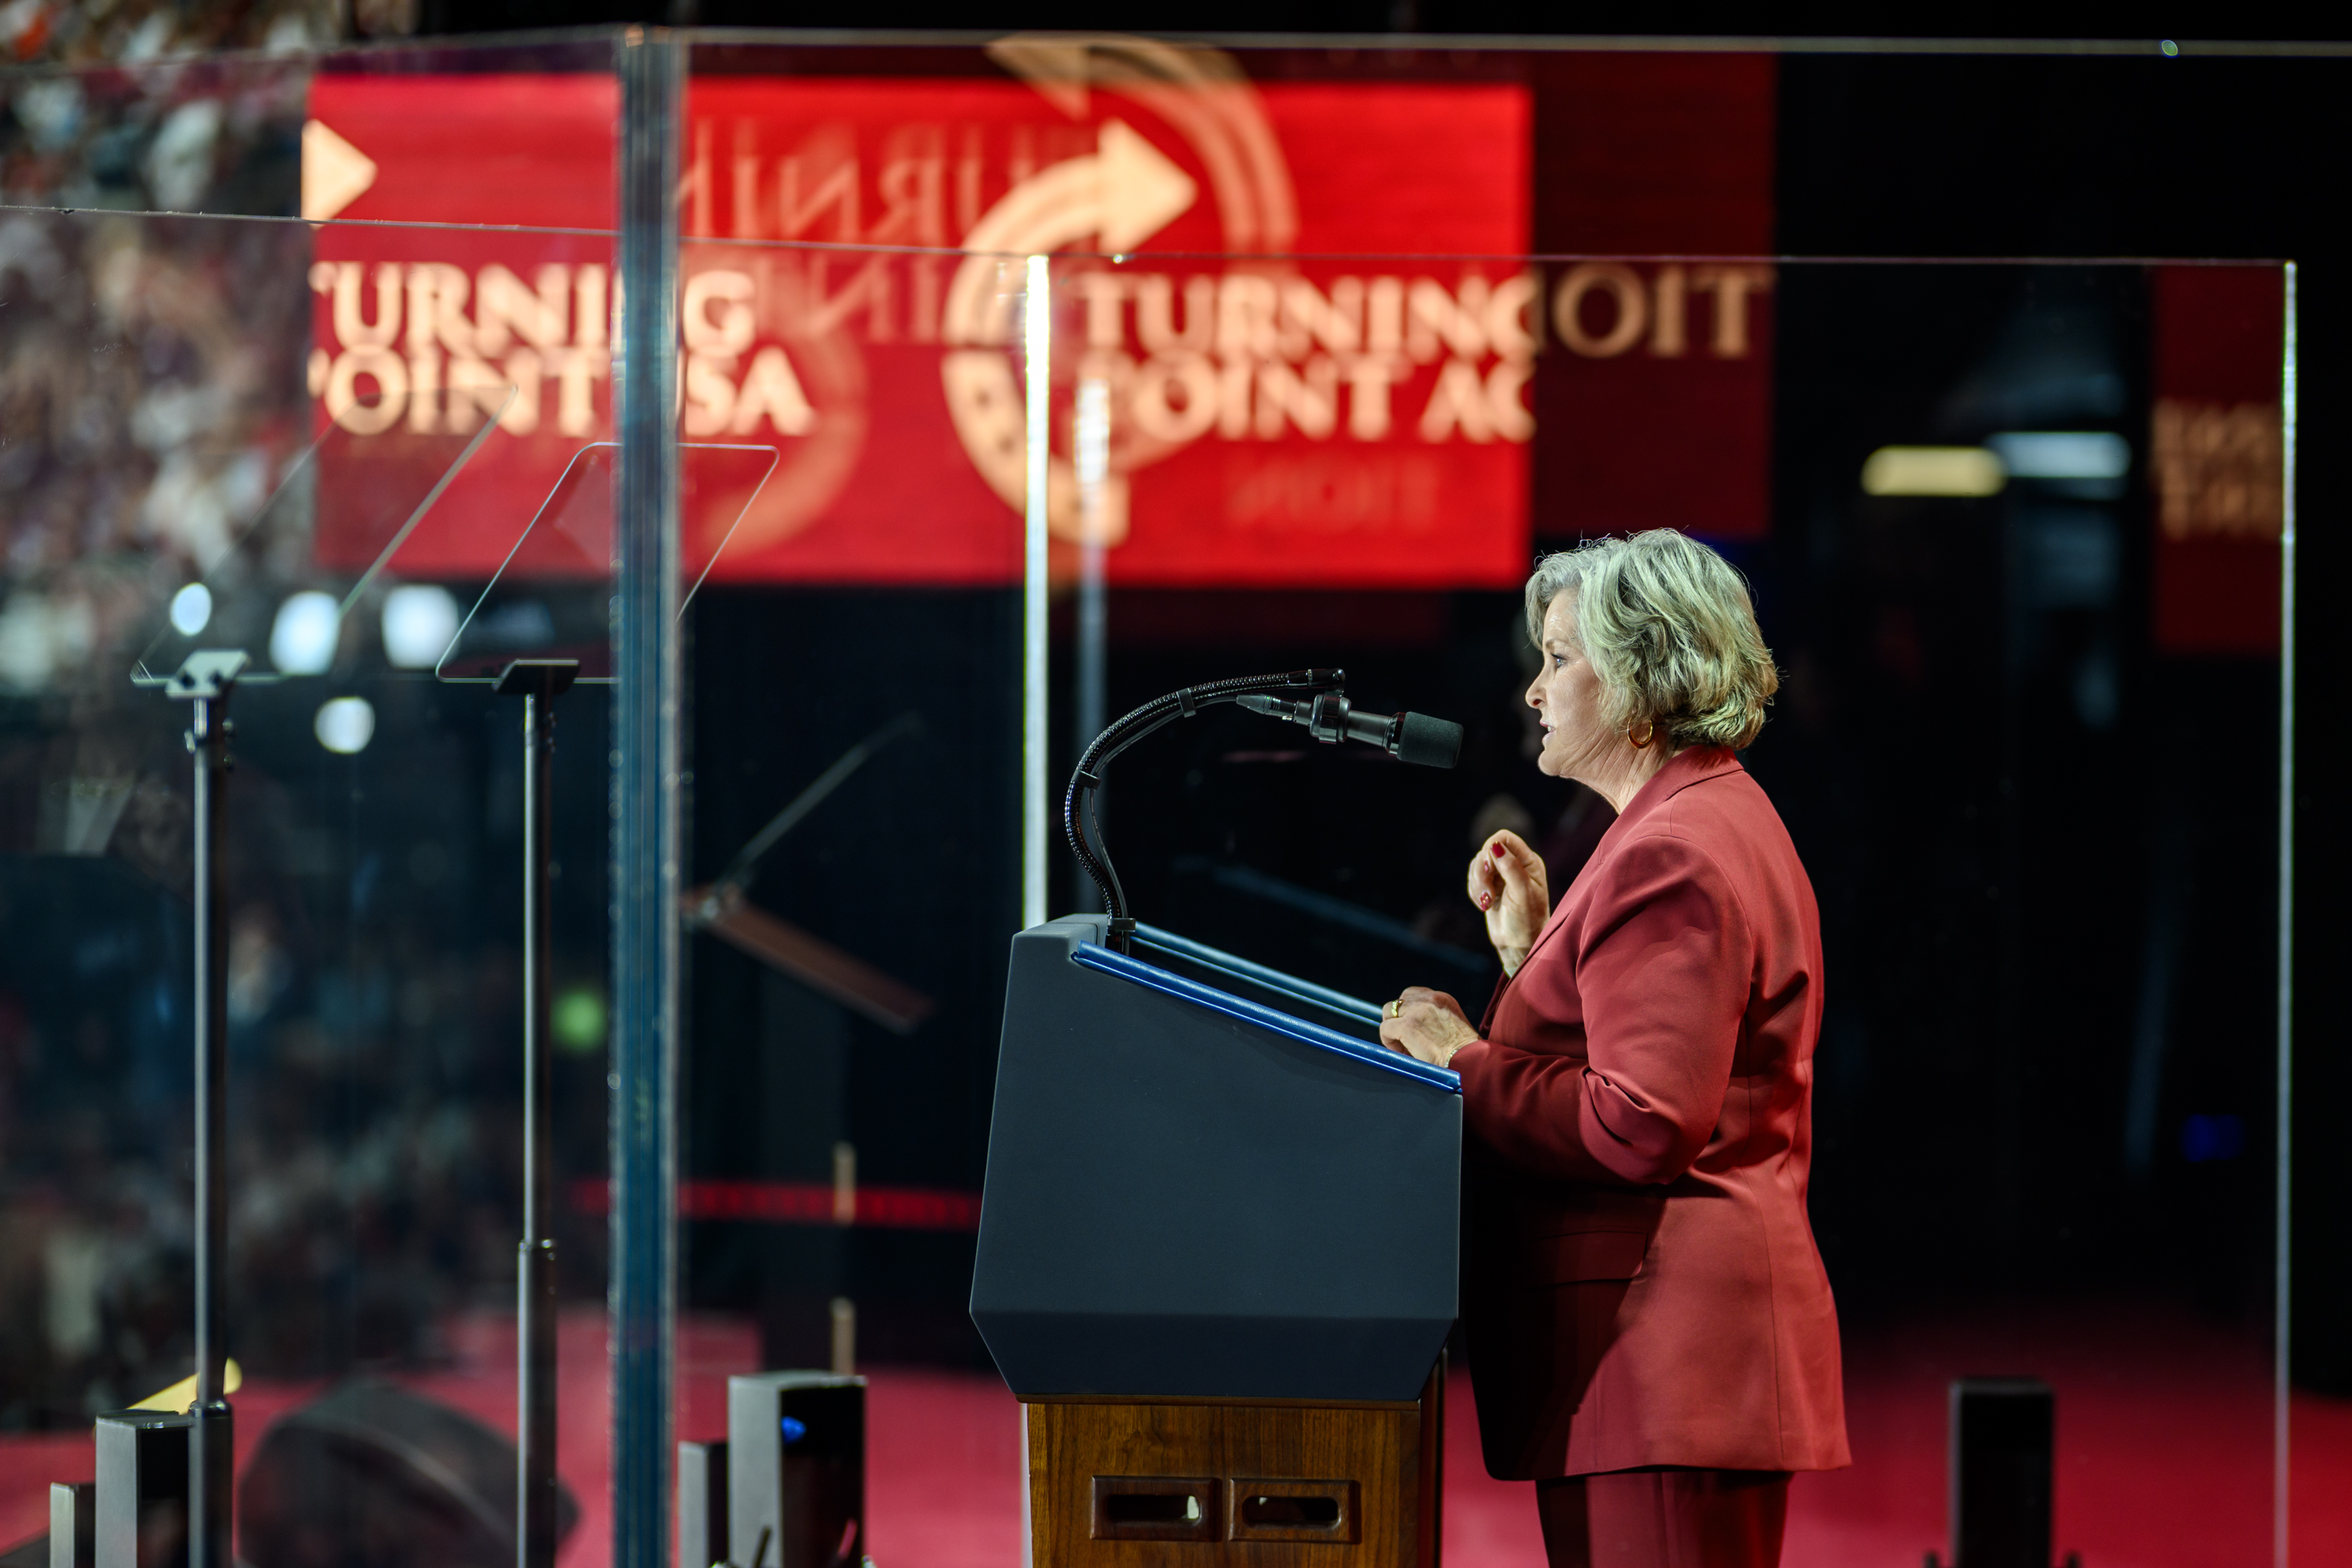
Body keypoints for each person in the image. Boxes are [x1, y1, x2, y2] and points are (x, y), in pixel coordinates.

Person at [1378, 531, 1847, 1568]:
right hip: (1657, 1368)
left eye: (1558, 657)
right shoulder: (1686, 820)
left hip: (1667, 1364)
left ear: (1641, 677)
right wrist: (1528, 950)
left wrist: (1461, 1060)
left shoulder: (1671, 850)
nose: (1533, 692)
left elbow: (1637, 1122)